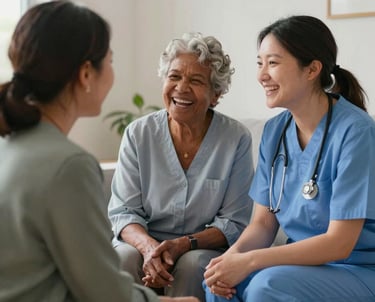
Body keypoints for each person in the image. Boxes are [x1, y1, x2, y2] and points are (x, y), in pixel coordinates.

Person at [0, 1, 198, 302]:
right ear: (86, 74)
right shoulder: (69, 166)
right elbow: (102, 293)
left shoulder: (10, 147)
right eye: (110, 60)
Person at [203, 15, 375, 302]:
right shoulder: (275, 131)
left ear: (312, 70)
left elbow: (339, 244)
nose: (261, 75)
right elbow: (262, 225)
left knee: (266, 285)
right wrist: (230, 261)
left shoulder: (356, 132)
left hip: (355, 267)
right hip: (301, 267)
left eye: (273, 63)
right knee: (217, 284)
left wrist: (252, 261)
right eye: (260, 63)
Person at [108, 32, 254, 301]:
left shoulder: (236, 139)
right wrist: (149, 247)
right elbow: (123, 212)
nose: (181, 88)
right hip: (143, 241)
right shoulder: (138, 134)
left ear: (216, 95)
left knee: (193, 264)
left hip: (199, 246)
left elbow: (235, 222)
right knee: (123, 257)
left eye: (196, 80)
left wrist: (183, 244)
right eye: (174, 76)